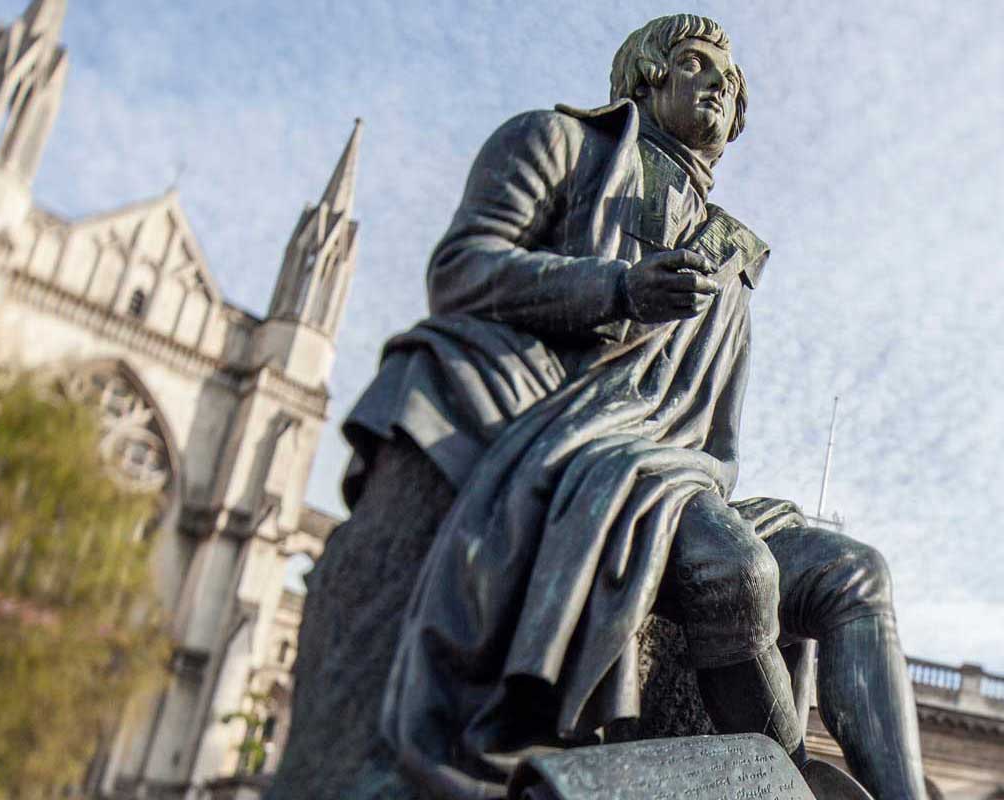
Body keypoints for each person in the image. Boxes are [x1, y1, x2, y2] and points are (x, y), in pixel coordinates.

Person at [272, 15, 925, 800]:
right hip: (566, 440)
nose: (721, 84)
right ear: (647, 75)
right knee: (741, 571)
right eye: (697, 64)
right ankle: (781, 776)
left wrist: (702, 483)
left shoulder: (731, 260)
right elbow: (462, 268)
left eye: (735, 82)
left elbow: (716, 437)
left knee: (857, 576)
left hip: (676, 475)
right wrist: (615, 290)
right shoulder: (553, 142)